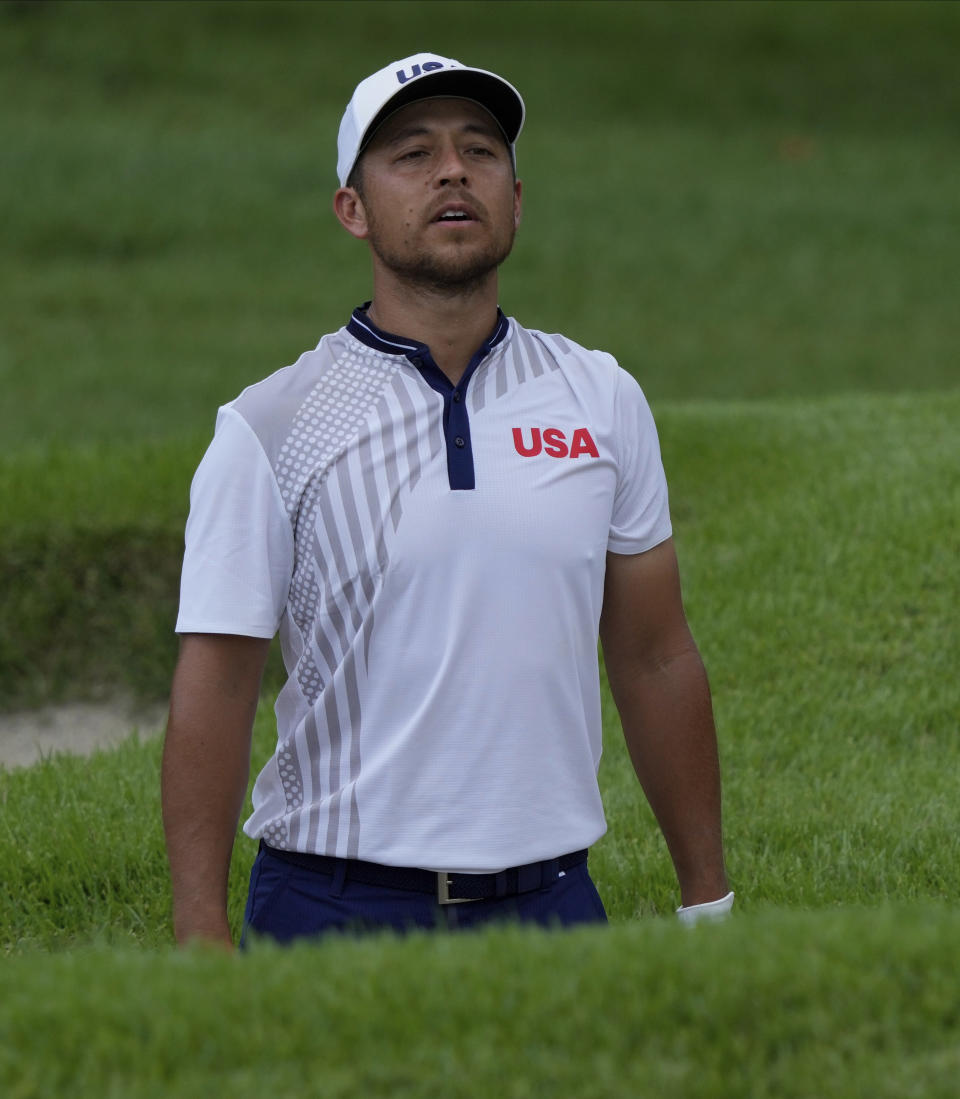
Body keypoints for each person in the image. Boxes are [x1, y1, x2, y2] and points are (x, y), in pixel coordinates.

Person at [161, 52, 733, 949]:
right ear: (352, 209)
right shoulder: (270, 425)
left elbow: (656, 657)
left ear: (517, 198)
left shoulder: (601, 396)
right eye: (412, 154)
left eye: (480, 150)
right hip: (334, 907)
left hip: (555, 905)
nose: (454, 170)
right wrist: (200, 931)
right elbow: (218, 685)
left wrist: (710, 905)